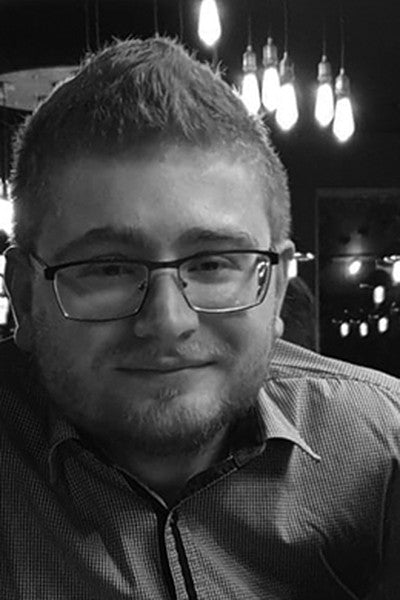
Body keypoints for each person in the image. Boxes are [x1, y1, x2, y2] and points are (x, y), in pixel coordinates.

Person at [1, 36, 400, 600]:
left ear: (276, 287)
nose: (169, 322)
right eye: (109, 268)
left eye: (212, 264)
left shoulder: (384, 449)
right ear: (23, 295)